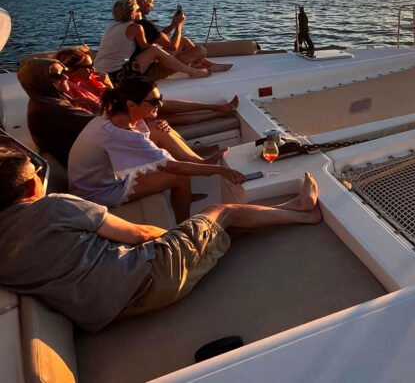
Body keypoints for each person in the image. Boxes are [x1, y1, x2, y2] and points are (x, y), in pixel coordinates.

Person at [0, 148, 322, 332]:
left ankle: (289, 208)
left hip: (106, 313)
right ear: (31, 187)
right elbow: (138, 234)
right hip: (150, 279)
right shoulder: (55, 206)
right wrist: (176, 236)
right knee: (219, 211)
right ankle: (304, 211)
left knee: (206, 229)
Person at [68, 78, 242, 220]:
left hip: (91, 181)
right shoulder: (123, 134)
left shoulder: (112, 114)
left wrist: (156, 125)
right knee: (180, 178)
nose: (159, 104)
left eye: (160, 99)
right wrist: (220, 170)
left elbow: (140, 135)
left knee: (158, 131)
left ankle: (185, 194)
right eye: (153, 102)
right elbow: (172, 167)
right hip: (98, 192)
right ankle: (185, 230)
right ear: (130, 104)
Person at [19, 58, 221, 171]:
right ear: (40, 80)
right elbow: (103, 125)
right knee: (157, 128)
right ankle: (197, 162)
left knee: (155, 122)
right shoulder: (53, 107)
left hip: (84, 146)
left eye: (63, 70)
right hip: (87, 159)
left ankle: (193, 157)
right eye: (56, 74)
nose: (64, 75)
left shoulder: (48, 99)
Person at [54, 45, 239, 127]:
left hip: (122, 106)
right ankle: (218, 113)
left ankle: (218, 107)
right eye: (88, 66)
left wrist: (107, 84)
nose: (93, 68)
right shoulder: (70, 90)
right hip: (117, 119)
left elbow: (110, 96)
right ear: (72, 69)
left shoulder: (89, 79)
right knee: (160, 120)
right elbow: (95, 113)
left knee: (161, 103)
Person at [94, 0, 209, 81]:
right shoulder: (136, 27)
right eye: (138, 10)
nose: (141, 13)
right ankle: (193, 71)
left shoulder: (111, 27)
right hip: (118, 75)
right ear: (133, 15)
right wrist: (178, 25)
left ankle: (197, 67)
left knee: (155, 49)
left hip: (101, 72)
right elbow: (146, 48)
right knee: (154, 50)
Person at [130, 0, 232, 75]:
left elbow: (156, 37)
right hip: (149, 70)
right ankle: (197, 68)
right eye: (151, 2)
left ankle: (207, 64)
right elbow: (172, 46)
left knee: (182, 40)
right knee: (200, 51)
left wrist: (172, 25)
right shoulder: (143, 24)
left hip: (142, 61)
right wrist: (179, 25)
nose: (152, 6)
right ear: (143, 2)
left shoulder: (132, 19)